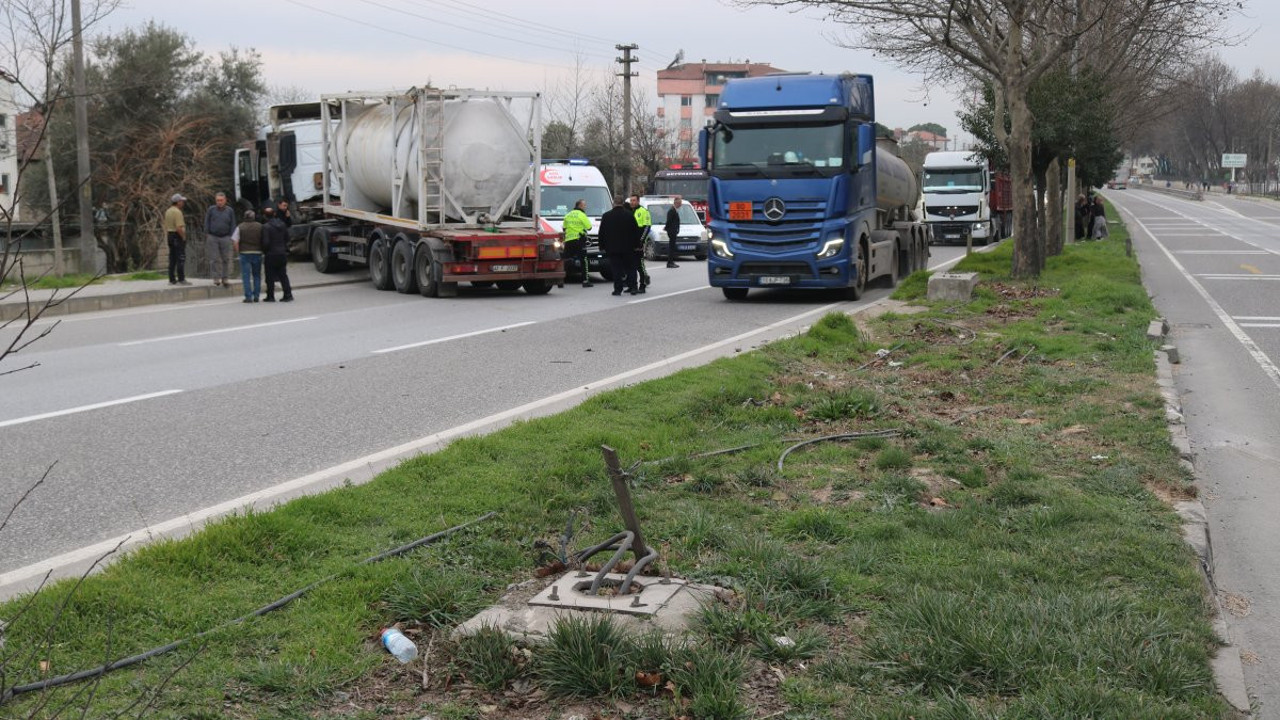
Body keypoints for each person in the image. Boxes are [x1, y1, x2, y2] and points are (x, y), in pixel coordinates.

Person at [598, 196, 639, 296]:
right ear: (622, 203)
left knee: (616, 269)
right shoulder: (629, 215)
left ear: (613, 203)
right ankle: (633, 287)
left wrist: (602, 246)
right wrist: (637, 245)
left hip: (612, 248)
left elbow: (602, 232)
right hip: (628, 248)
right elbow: (635, 232)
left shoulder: (606, 216)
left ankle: (618, 289)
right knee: (630, 268)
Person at [261, 206, 294, 302]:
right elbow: (287, 238)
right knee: (283, 275)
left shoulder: (266, 227)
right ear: (274, 214)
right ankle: (288, 294)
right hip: (282, 252)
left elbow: (266, 242)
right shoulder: (282, 224)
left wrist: (265, 251)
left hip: (271, 254)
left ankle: (270, 296)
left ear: (265, 216)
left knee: (269, 276)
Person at [204, 192, 237, 287]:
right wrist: (207, 233)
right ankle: (216, 278)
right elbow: (207, 221)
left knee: (226, 259)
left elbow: (233, 223)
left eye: (221, 200)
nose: (219, 202)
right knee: (214, 259)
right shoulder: (211, 209)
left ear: (225, 200)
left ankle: (225, 278)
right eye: (218, 200)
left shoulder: (229, 210)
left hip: (225, 237)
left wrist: (232, 236)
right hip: (213, 236)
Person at [233, 209, 264, 303]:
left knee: (246, 276)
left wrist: (238, 252)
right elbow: (264, 238)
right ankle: (257, 296)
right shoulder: (260, 226)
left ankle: (248, 296)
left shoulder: (240, 227)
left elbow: (235, 241)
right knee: (257, 275)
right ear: (254, 217)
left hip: (244, 253)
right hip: (257, 252)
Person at [562, 198, 593, 288]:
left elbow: (564, 228)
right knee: (584, 261)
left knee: (565, 260)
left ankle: (561, 279)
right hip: (579, 240)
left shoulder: (568, 215)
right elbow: (589, 227)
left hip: (568, 240)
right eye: (584, 205)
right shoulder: (582, 215)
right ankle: (585, 280)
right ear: (580, 206)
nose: (585, 206)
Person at [164, 193, 191, 285]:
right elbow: (179, 227)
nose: (183, 203)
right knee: (181, 258)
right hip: (177, 236)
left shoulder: (168, 211)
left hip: (170, 235)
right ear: (178, 202)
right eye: (181, 201)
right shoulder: (177, 212)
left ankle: (171, 279)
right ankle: (181, 279)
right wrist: (183, 237)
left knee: (172, 258)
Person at [629, 193, 650, 293]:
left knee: (639, 265)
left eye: (634, 200)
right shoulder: (628, 211)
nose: (632, 202)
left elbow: (647, 227)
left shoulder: (643, 211)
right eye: (631, 200)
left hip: (638, 244)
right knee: (630, 266)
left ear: (638, 201)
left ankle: (643, 284)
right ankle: (631, 285)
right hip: (630, 244)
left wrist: (641, 241)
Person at [664, 196, 683, 268]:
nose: (681, 204)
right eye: (680, 203)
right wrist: (666, 228)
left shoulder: (674, 210)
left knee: (672, 247)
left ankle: (671, 261)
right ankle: (670, 263)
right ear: (677, 203)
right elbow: (669, 221)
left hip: (673, 231)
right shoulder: (671, 210)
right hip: (672, 231)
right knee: (671, 247)